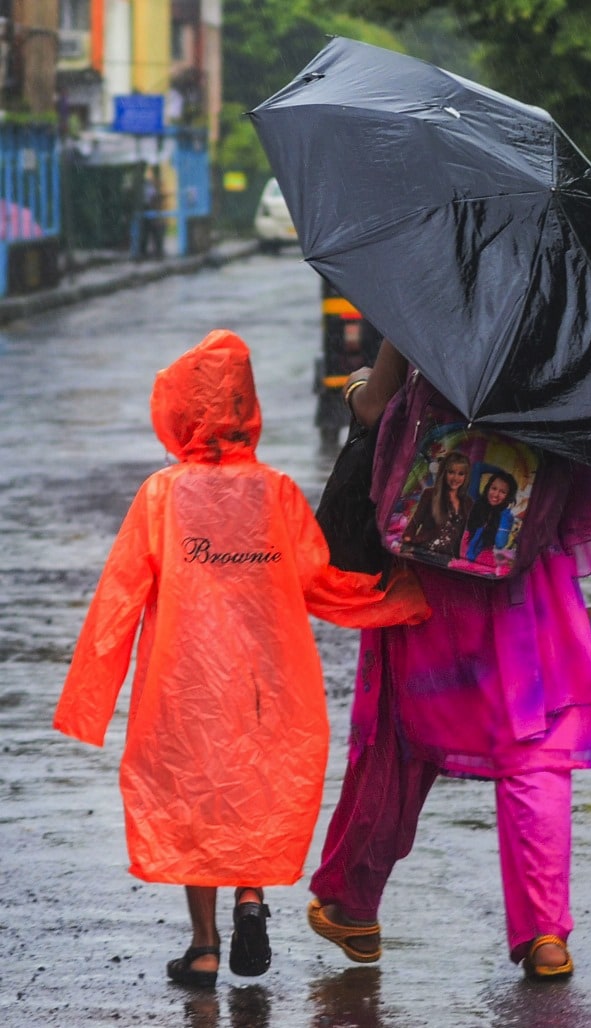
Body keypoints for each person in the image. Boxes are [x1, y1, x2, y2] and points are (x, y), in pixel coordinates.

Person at [52, 329, 431, 989]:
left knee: (194, 801)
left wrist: (88, 703)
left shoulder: (162, 498)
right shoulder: (276, 492)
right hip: (265, 677)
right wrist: (394, 599)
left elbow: (118, 599)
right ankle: (251, 897)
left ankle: (203, 945)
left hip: (182, 682)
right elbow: (321, 582)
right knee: (250, 789)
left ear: (178, 410)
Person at [307, 339, 591, 981]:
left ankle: (355, 903)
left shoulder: (427, 310)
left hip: (426, 578)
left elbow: (374, 411)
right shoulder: (562, 335)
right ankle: (545, 934)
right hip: (524, 580)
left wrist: (361, 383)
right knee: (535, 747)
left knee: (397, 735)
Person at [401, 449, 473, 557]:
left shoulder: (468, 502)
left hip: (447, 560)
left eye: (461, 474)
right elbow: (415, 523)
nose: (455, 478)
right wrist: (406, 546)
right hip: (422, 552)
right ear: (444, 472)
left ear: (466, 476)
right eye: (451, 472)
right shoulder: (430, 494)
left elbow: (460, 537)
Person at [461, 469, 518, 563]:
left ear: (509, 496)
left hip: (482, 557)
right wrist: (500, 471)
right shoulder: (476, 500)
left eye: (503, 492)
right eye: (494, 488)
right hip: (461, 548)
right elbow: (478, 466)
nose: (496, 495)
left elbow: (500, 544)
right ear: (488, 487)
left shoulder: (506, 517)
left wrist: (504, 520)